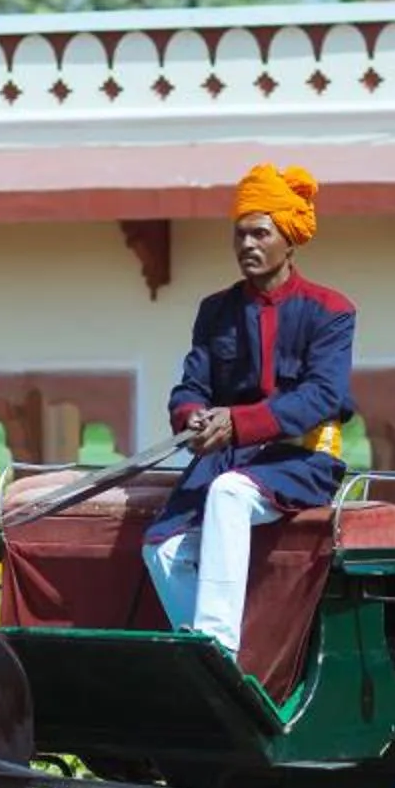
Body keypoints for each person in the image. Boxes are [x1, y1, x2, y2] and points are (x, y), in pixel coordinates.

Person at [145, 163, 357, 654]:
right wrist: (193, 416)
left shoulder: (331, 310)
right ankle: (214, 655)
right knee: (161, 546)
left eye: (260, 233)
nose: (247, 245)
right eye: (239, 235)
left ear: (289, 239)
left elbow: (322, 396)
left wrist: (238, 423)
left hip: (302, 461)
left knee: (228, 494)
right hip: (225, 459)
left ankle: (217, 650)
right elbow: (189, 387)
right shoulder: (214, 310)